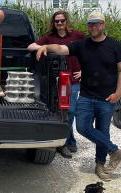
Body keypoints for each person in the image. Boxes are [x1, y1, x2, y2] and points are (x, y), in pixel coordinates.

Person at [36, 11, 121, 181]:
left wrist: (118, 93)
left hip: (107, 98)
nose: (94, 27)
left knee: (103, 131)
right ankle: (115, 151)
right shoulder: (82, 45)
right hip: (86, 96)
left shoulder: (115, 46)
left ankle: (100, 166)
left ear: (104, 25)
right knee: (82, 127)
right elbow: (61, 48)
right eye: (91, 24)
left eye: (97, 23)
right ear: (88, 26)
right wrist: (46, 47)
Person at [28, 11, 86, 159]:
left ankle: (67, 141)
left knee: (70, 111)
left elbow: (91, 52)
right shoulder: (49, 37)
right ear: (53, 23)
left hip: (71, 80)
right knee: (57, 112)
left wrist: (84, 71)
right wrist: (45, 47)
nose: (59, 24)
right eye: (56, 21)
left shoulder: (77, 36)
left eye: (62, 21)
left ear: (67, 21)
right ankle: (66, 142)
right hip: (52, 82)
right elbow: (30, 47)